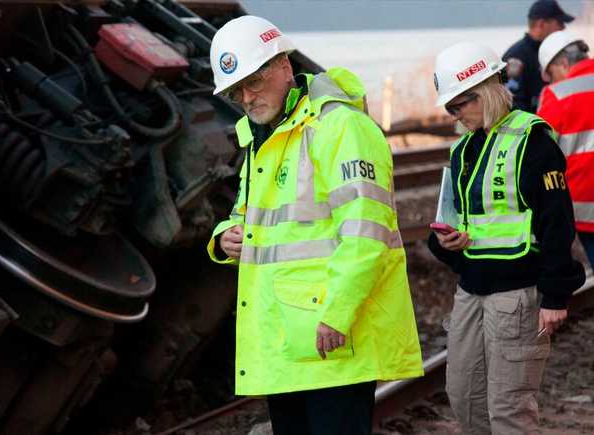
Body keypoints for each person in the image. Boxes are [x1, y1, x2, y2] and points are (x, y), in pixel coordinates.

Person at [206, 15, 423, 435]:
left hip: (331, 335)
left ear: (285, 66)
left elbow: (367, 233)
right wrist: (224, 238)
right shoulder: (265, 138)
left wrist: (337, 315)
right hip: (285, 338)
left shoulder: (338, 127)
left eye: (255, 81)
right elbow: (247, 216)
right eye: (236, 91)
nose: (247, 98)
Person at [429, 41, 585, 434]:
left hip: (518, 294)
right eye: (450, 108)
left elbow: (557, 221)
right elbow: (452, 216)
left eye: (459, 104)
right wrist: (445, 244)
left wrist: (555, 295)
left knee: (508, 409)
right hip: (471, 289)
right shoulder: (462, 150)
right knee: (464, 397)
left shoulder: (532, 139)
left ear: (486, 89)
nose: (455, 115)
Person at [537, 30, 594, 267]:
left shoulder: (556, 95)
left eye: (550, 74)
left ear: (562, 63)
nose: (551, 81)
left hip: (587, 207)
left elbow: (540, 153)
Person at [503, 0, 574, 112]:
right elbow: (511, 103)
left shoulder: (557, 53)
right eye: (560, 23)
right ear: (541, 24)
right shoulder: (515, 57)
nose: (563, 28)